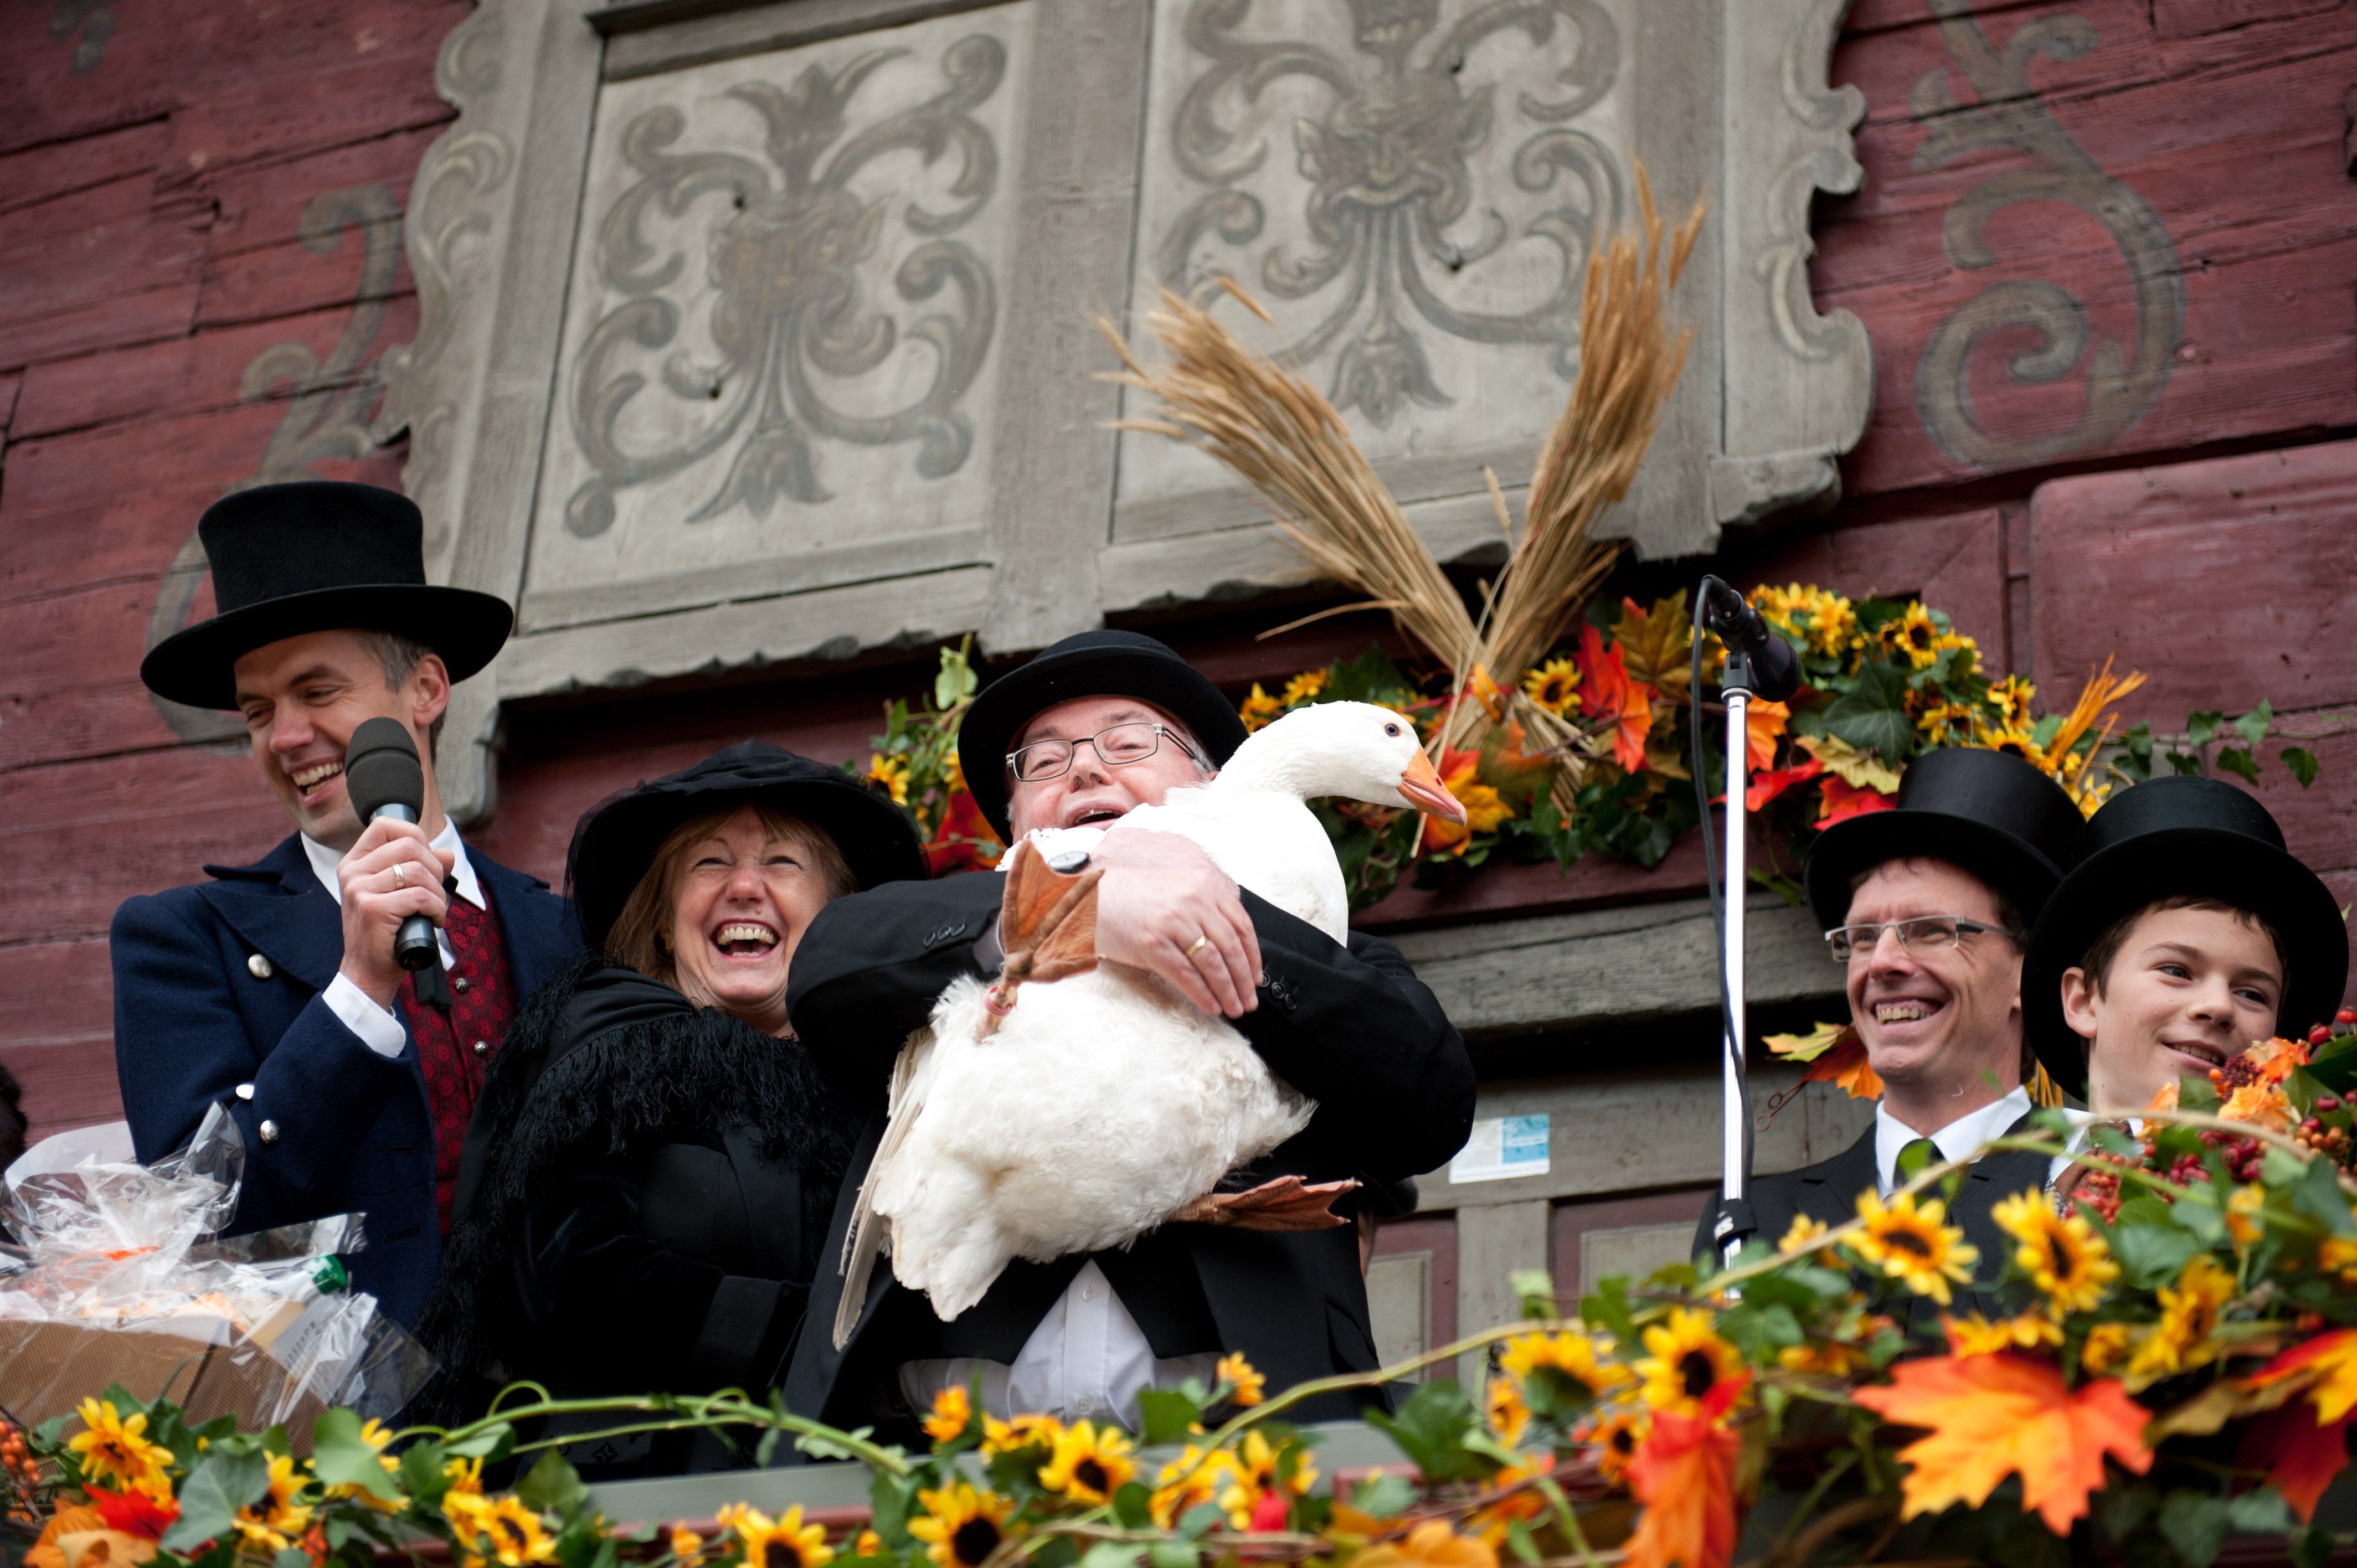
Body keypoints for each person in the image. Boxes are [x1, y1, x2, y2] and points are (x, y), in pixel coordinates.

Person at [783, 630, 1475, 1441]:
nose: (1082, 769)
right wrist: (1076, 906)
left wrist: (1202, 911)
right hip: (944, 1469)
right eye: (1042, 761)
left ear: (1210, 781)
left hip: (1246, 1459)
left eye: (1127, 742)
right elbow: (825, 967)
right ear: (1014, 822)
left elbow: (1432, 1104)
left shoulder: (1337, 963)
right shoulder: (946, 930)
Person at [110, 482, 580, 1329]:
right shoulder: (183, 940)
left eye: (318, 692)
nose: (284, 737)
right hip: (349, 1406)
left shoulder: (562, 928)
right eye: (258, 711)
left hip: (582, 1398)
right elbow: (200, 1214)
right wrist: (359, 991)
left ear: (427, 689)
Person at [418, 741, 926, 1473]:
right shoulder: (611, 1049)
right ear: (663, 921)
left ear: (834, 920)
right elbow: (569, 1272)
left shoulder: (893, 1090)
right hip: (636, 1489)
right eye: (710, 863)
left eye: (783, 863)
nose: (745, 886)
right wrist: (822, 1344)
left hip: (860, 1488)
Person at [1692, 747, 2087, 1292]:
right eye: (1861, 937)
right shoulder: (1753, 1225)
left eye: (1929, 930)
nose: (1880, 963)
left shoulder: (2090, 1171)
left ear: (2024, 973)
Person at [2023, 775, 2347, 1119]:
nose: (2219, 1005)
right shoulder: (1988, 1154)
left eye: (2252, 994)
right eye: (2177, 971)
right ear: (2084, 1001)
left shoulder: (2324, 1152)